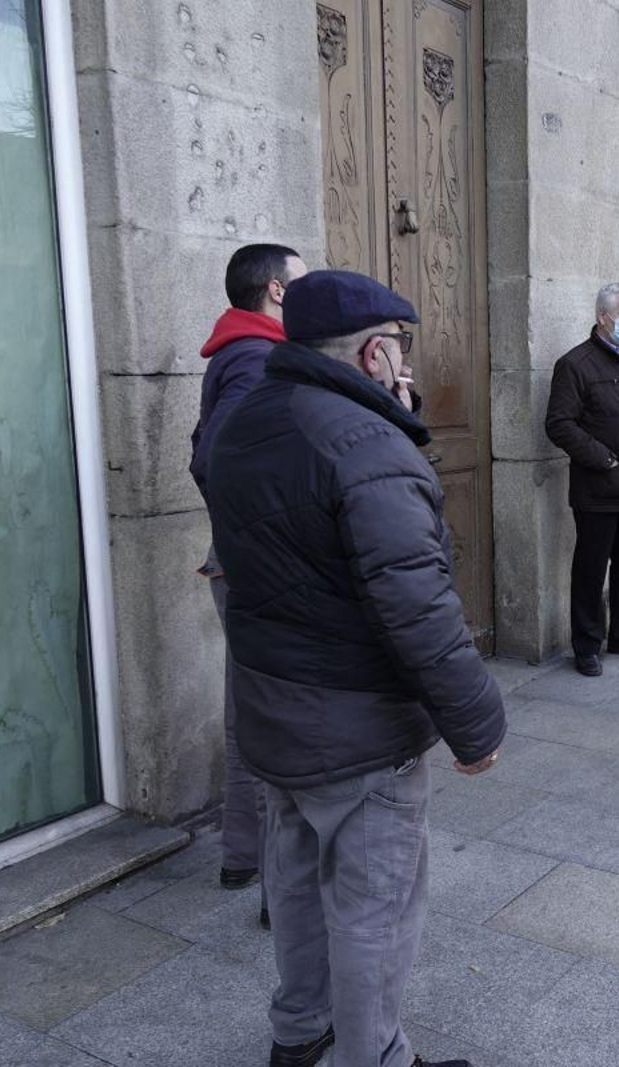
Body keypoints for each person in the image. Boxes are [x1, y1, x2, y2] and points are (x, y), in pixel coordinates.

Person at [205, 270, 504, 1067]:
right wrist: (476, 721)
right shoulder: (365, 444)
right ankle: (374, 1056)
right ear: (375, 352)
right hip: (358, 723)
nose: (406, 366)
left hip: (273, 702)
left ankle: (299, 1036)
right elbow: (417, 604)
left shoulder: (246, 422)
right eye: (399, 351)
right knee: (374, 905)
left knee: (297, 886)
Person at [188, 243, 307, 912]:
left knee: (248, 711)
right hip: (257, 569)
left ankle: (242, 855)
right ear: (277, 292)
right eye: (305, 281)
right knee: (277, 720)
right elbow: (216, 456)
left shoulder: (246, 353)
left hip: (240, 560)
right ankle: (276, 879)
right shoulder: (260, 359)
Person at [545, 282, 619, 678]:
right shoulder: (575, 364)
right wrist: (606, 461)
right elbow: (559, 424)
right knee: (591, 568)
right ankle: (587, 645)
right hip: (598, 486)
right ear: (603, 316)